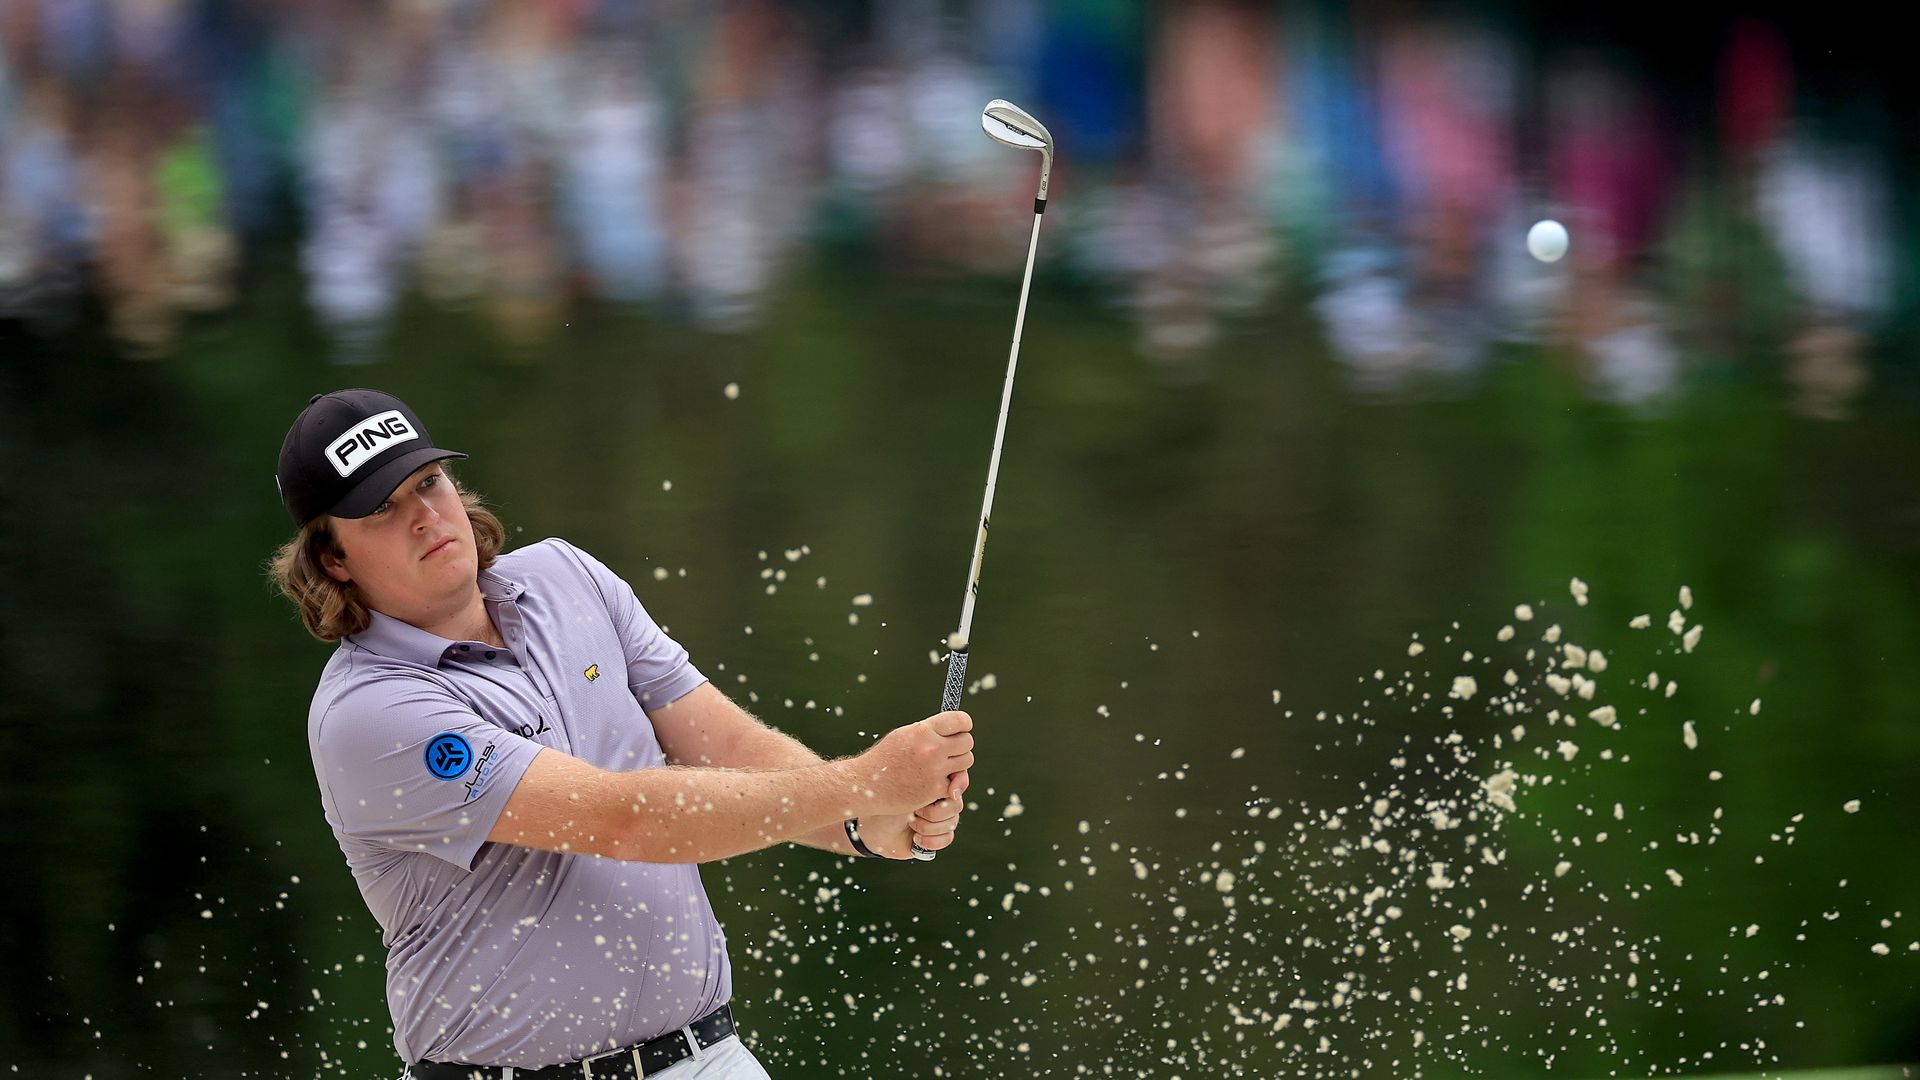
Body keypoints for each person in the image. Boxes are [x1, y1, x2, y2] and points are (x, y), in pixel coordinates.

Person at [269, 389, 973, 1079]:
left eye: (428, 483)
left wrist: (857, 822)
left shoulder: (566, 575)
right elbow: (625, 821)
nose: (424, 516)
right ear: (334, 560)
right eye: (382, 510)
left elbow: (726, 748)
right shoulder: (368, 712)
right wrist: (862, 782)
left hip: (706, 1054)